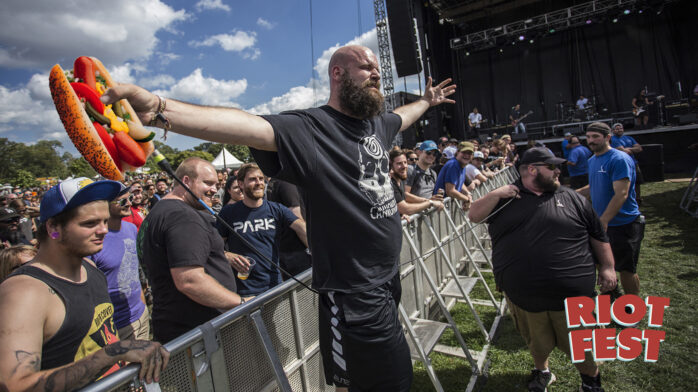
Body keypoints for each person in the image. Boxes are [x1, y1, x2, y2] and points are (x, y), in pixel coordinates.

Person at [102, 44, 455, 391]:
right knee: (391, 382)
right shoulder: (313, 129)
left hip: (386, 279)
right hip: (355, 294)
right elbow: (245, 126)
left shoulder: (376, 126)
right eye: (366, 66)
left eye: (377, 68)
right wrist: (160, 109)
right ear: (338, 73)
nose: (376, 72)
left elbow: (402, 116)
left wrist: (426, 101)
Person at [0, 178, 168, 391]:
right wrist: (111, 354)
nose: (104, 230)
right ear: (53, 228)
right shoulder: (25, 292)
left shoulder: (91, 271)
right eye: (89, 223)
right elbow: (14, 385)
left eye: (105, 221)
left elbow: (105, 335)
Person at [469, 148, 615, 392]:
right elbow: (473, 215)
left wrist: (609, 268)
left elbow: (598, 235)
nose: (559, 171)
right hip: (525, 297)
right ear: (532, 169)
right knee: (537, 343)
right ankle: (542, 371)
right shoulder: (505, 198)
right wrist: (495, 193)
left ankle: (590, 382)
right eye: (552, 166)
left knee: (584, 347)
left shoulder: (573, 198)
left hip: (573, 298)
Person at [137, 158, 245, 343]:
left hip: (178, 326)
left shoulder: (159, 211)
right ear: (185, 181)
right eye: (208, 183)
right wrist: (240, 303)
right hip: (196, 333)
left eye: (216, 184)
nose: (213, 189)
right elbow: (189, 280)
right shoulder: (182, 216)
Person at [218, 163, 308, 296]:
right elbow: (215, 246)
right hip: (244, 289)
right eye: (252, 179)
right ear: (241, 184)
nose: (259, 182)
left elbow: (301, 227)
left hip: (274, 285)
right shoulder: (228, 213)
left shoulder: (276, 209)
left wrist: (320, 253)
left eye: (261, 179)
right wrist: (228, 255)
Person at [578, 122, 644, 297]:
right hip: (602, 224)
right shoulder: (592, 160)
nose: (591, 141)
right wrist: (568, 195)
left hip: (624, 224)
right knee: (602, 264)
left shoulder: (619, 159)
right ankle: (614, 295)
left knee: (626, 269)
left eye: (595, 137)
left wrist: (604, 220)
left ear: (608, 138)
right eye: (588, 137)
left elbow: (621, 194)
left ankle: (632, 307)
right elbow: (593, 188)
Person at [91, 185, 150, 340]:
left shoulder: (131, 228)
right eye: (122, 202)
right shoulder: (94, 240)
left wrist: (143, 306)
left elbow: (135, 269)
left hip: (140, 315)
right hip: (115, 326)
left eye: (130, 199)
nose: (130, 204)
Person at [266, 177, 312, 280]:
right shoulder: (287, 183)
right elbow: (297, 218)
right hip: (298, 250)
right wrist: (313, 249)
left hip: (286, 248)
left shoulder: (275, 181)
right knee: (305, 293)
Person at [390, 149, 444, 220]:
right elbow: (405, 208)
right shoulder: (389, 184)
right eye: (399, 163)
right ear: (390, 165)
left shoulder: (401, 179)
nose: (404, 166)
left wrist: (402, 215)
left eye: (405, 162)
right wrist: (430, 202)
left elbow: (401, 205)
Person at [433, 143, 474, 209]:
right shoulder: (453, 165)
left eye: (469, 153)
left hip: (447, 207)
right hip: (441, 208)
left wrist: (467, 193)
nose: (466, 155)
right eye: (464, 152)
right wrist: (467, 199)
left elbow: (460, 182)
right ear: (457, 152)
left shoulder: (461, 164)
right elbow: (450, 191)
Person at [610, 123, 644, 203]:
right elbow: (623, 151)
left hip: (633, 163)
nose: (619, 130)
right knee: (624, 182)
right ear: (613, 131)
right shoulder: (612, 139)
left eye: (620, 128)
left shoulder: (629, 138)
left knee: (637, 182)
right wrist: (632, 149)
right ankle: (627, 199)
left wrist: (628, 149)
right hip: (622, 164)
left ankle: (638, 199)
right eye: (617, 129)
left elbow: (639, 148)